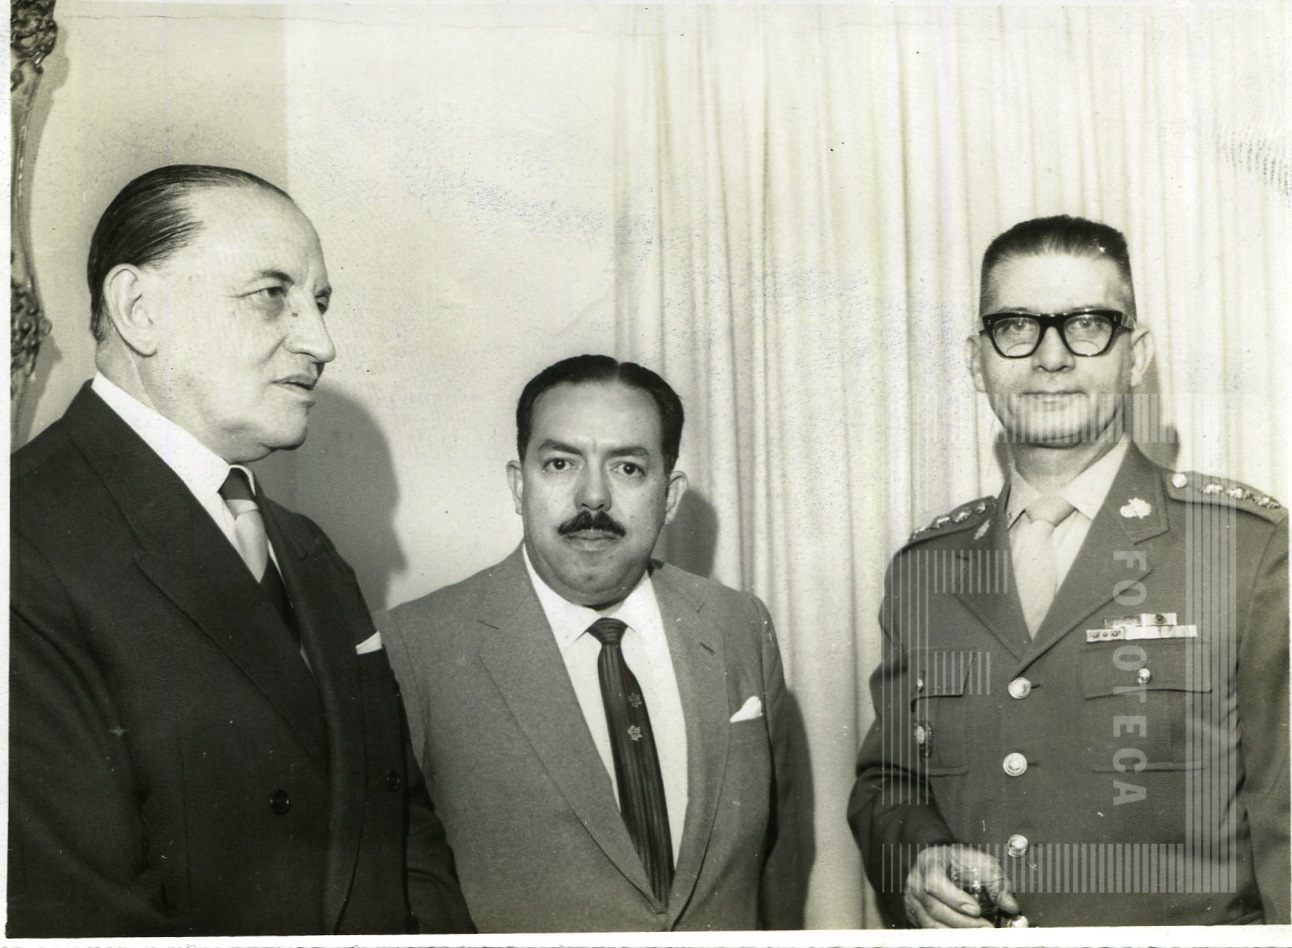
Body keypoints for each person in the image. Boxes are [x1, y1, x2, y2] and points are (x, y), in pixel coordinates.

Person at [8, 165, 473, 936]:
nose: (322, 343)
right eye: (271, 295)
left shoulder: (307, 549)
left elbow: (402, 831)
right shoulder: (23, 538)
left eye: (319, 303)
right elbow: (81, 916)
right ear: (139, 310)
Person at [849, 215, 1289, 928]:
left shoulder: (1242, 550)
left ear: (1136, 356)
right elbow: (890, 782)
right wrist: (918, 858)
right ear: (977, 361)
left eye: (1087, 324)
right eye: (1016, 326)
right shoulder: (926, 570)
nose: (1050, 357)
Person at [377, 354, 803, 932]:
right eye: (560, 463)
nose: (594, 498)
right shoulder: (415, 646)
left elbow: (777, 863)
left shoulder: (740, 624)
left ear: (670, 496)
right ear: (519, 485)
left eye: (628, 468)